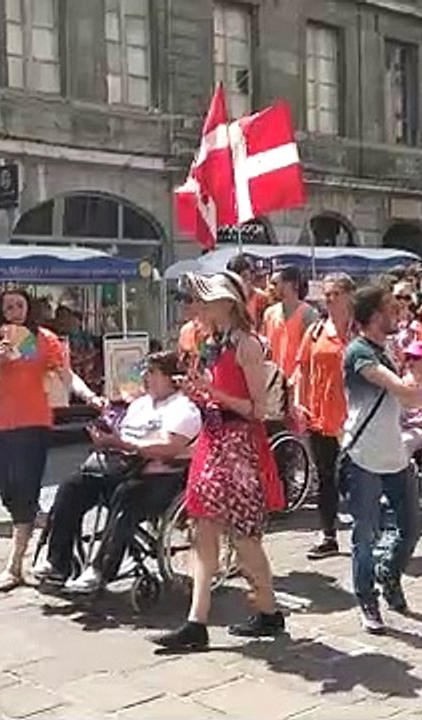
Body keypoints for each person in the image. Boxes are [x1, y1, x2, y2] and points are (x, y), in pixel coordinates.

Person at [153, 271, 286, 652]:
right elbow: (218, 398)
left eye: (206, 300)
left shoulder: (247, 345)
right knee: (204, 529)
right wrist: (198, 393)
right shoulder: (214, 343)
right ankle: (197, 620)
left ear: (228, 303)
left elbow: (258, 410)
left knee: (243, 537)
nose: (199, 306)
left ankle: (268, 609)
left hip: (240, 446)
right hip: (215, 442)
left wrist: (214, 393)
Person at [47, 351, 202, 594]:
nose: (145, 377)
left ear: (172, 378)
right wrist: (107, 440)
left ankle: (100, 570)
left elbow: (169, 448)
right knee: (72, 486)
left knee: (127, 495)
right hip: (125, 467)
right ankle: (57, 562)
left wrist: (123, 446)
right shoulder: (139, 405)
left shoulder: (184, 409)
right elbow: (124, 435)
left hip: (162, 477)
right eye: (145, 372)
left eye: (152, 373)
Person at [342, 284, 422, 634]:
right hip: (363, 458)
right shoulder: (359, 353)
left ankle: (388, 574)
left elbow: (404, 401)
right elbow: (402, 391)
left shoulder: (384, 349)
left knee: (411, 527)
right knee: (365, 535)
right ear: (374, 316)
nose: (399, 312)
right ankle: (367, 599)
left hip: (394, 454)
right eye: (391, 308)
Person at [0, 288, 67, 592]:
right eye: (9, 307)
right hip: (3, 425)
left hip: (35, 422)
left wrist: (90, 395)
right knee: (7, 492)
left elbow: (62, 375)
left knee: (25, 491)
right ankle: (35, 522)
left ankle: (15, 564)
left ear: (29, 309)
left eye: (20, 305)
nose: (15, 312)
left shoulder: (44, 339)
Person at [292, 272, 355, 560]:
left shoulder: (361, 331)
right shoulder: (316, 331)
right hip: (321, 415)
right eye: (327, 295)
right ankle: (328, 535)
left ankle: (365, 530)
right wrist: (298, 403)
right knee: (326, 476)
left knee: (354, 476)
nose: (329, 299)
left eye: (335, 294)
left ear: (349, 297)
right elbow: (302, 369)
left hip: (355, 416)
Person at [262, 266, 318, 381]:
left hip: (298, 381)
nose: (271, 288)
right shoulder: (269, 314)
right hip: (274, 383)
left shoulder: (308, 314)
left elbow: (311, 352)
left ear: (293, 285)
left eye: (275, 283)